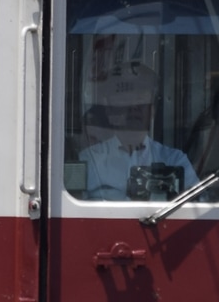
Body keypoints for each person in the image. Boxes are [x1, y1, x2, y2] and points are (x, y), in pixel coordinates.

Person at [77, 67, 198, 201]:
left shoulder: (175, 161)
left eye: (141, 100)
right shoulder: (89, 161)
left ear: (152, 110)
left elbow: (197, 203)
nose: (134, 107)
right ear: (110, 110)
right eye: (125, 100)